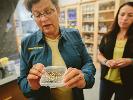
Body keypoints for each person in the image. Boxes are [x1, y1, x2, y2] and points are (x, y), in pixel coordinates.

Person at [18, 0, 96, 100]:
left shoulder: (74, 34)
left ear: (58, 10)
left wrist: (84, 77)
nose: (43, 18)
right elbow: (22, 80)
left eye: (48, 12)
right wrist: (31, 85)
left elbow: (88, 62)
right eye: (37, 15)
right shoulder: (27, 43)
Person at [98, 2, 133, 100]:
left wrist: (130, 61)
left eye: (130, 15)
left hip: (126, 82)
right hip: (106, 80)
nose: (125, 18)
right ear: (117, 15)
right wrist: (106, 62)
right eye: (122, 14)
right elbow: (99, 53)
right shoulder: (108, 36)